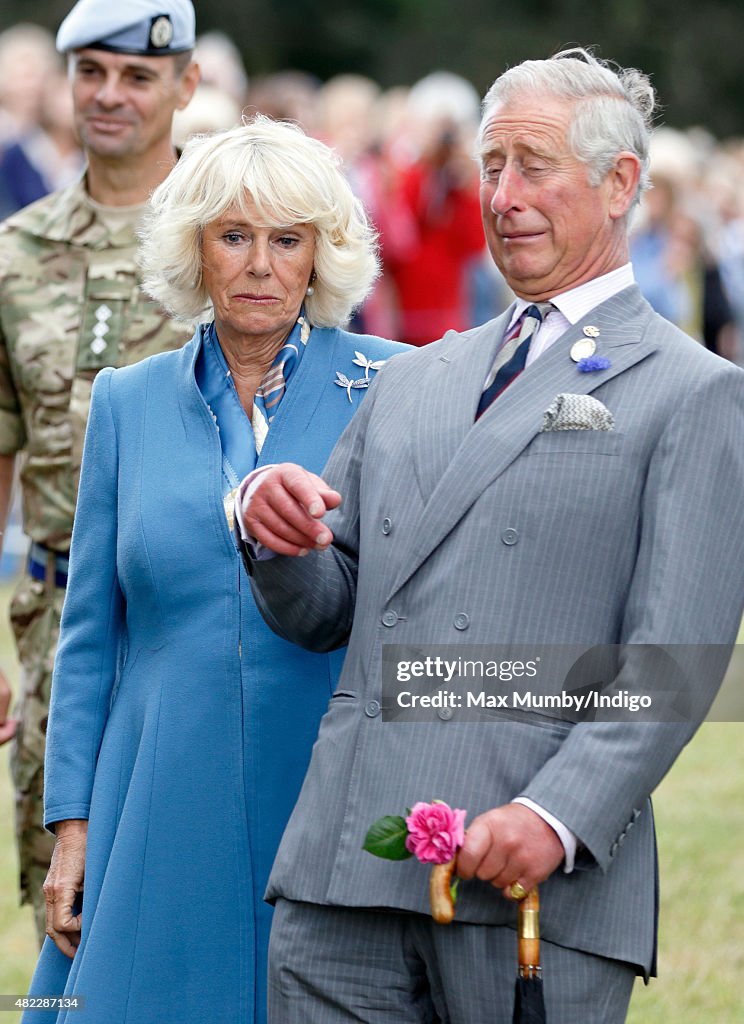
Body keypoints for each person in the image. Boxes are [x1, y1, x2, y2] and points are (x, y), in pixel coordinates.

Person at [240, 49, 744, 1022]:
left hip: (525, 886)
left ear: (619, 185)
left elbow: (675, 658)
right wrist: (279, 538)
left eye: (534, 165)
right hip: (339, 873)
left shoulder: (691, 392)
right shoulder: (414, 377)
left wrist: (554, 815)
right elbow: (328, 612)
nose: (503, 194)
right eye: (489, 165)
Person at [24, 116, 404, 1024]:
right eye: (234, 236)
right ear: (196, 250)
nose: (261, 265)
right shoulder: (125, 400)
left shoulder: (396, 385)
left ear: (324, 252)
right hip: (156, 781)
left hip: (324, 778)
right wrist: (72, 827)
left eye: (287, 239)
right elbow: (89, 639)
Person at [0, 0, 200, 942]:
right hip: (53, 627)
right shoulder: (16, 255)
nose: (109, 95)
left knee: (194, 901)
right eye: (92, 71)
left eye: (138, 74)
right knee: (64, 911)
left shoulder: (232, 239)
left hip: (194, 620)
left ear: (186, 84)